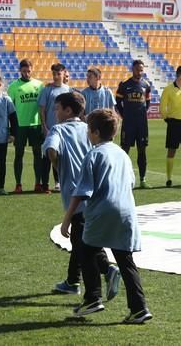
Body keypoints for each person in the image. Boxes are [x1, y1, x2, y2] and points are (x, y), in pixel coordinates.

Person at [60, 109, 152, 323]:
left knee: (86, 251)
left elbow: (82, 191)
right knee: (125, 260)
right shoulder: (122, 154)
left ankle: (93, 298)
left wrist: (67, 219)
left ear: (94, 132)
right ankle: (139, 308)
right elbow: (129, 183)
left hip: (102, 211)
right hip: (126, 212)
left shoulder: (93, 154)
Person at [42, 92, 120, 298]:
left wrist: (56, 164)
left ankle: (107, 270)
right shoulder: (88, 128)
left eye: (57, 108)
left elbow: (51, 149)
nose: (54, 112)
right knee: (80, 239)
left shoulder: (58, 129)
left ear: (67, 110)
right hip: (96, 191)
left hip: (75, 195)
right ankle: (72, 281)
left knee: (83, 242)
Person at [7, 59, 45, 194]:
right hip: (20, 126)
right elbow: (9, 109)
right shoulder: (13, 86)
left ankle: (37, 183)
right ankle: (18, 184)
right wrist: (10, 128)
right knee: (19, 154)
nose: (26, 74)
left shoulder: (39, 85)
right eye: (24, 71)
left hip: (36, 125)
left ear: (32, 70)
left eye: (28, 71)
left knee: (37, 154)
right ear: (20, 71)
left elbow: (43, 106)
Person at [115, 60, 151, 189]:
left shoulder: (146, 85)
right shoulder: (125, 85)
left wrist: (141, 114)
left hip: (141, 124)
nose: (139, 72)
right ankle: (120, 179)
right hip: (128, 123)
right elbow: (118, 102)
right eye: (137, 69)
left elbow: (147, 103)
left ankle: (143, 179)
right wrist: (125, 115)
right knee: (124, 151)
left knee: (142, 151)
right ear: (133, 69)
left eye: (141, 70)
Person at [38, 63, 71, 192]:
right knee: (47, 155)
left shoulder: (68, 90)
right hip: (50, 129)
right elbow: (42, 110)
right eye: (54, 74)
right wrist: (44, 126)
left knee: (61, 156)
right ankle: (44, 184)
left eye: (58, 74)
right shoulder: (47, 90)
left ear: (64, 73)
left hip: (63, 129)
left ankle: (59, 182)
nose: (56, 76)